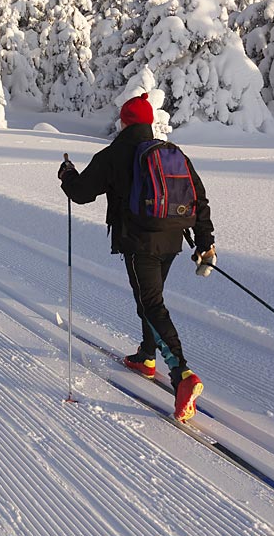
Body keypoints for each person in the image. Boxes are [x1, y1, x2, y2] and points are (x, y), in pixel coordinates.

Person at [58, 93, 216, 423]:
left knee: (150, 304)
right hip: (173, 240)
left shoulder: (114, 154)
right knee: (151, 298)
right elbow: (199, 200)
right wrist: (205, 243)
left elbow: (81, 193)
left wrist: (67, 174)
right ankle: (146, 356)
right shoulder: (172, 153)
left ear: (125, 122)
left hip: (138, 241)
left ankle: (182, 375)